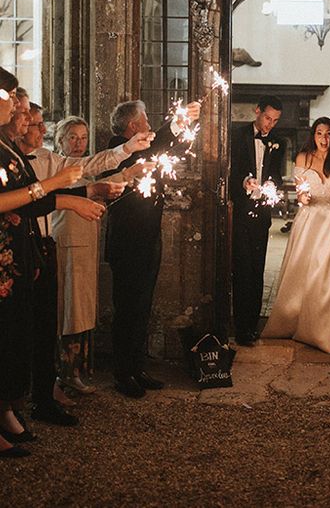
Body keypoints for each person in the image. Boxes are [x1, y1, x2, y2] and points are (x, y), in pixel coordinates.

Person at [0, 68, 104, 457]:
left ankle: (10, 409)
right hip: (3, 258)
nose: (18, 113)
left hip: (18, 252)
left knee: (15, 336)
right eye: (13, 103)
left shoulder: (7, 147)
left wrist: (70, 198)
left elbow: (30, 200)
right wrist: (57, 188)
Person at [104, 98, 201, 399]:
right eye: (145, 120)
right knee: (128, 310)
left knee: (143, 308)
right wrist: (175, 123)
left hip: (148, 240)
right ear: (132, 126)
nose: (148, 125)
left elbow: (163, 148)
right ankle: (123, 373)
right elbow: (155, 146)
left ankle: (137, 367)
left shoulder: (143, 145)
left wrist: (183, 124)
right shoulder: (117, 149)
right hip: (128, 245)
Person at [47, 116, 149, 397]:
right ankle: (64, 372)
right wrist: (125, 155)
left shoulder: (81, 167)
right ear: (61, 141)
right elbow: (76, 190)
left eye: (83, 137)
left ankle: (75, 370)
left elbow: (96, 183)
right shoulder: (58, 166)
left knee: (81, 308)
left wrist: (128, 175)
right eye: (73, 138)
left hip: (86, 244)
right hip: (68, 244)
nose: (79, 143)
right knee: (69, 309)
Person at [261, 117, 330, 353]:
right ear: (313, 136)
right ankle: (299, 322)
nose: (324, 139)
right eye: (319, 133)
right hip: (311, 220)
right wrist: (303, 199)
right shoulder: (303, 157)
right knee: (306, 272)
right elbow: (300, 191)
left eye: (328, 134)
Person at [230, 95, 285, 347]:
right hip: (240, 212)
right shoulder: (236, 135)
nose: (269, 125)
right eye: (266, 118)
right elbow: (228, 172)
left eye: (274, 121)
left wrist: (272, 184)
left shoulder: (278, 143)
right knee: (242, 269)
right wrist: (244, 182)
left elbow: (278, 177)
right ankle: (241, 328)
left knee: (258, 270)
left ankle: (252, 326)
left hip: (262, 216)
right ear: (257, 111)